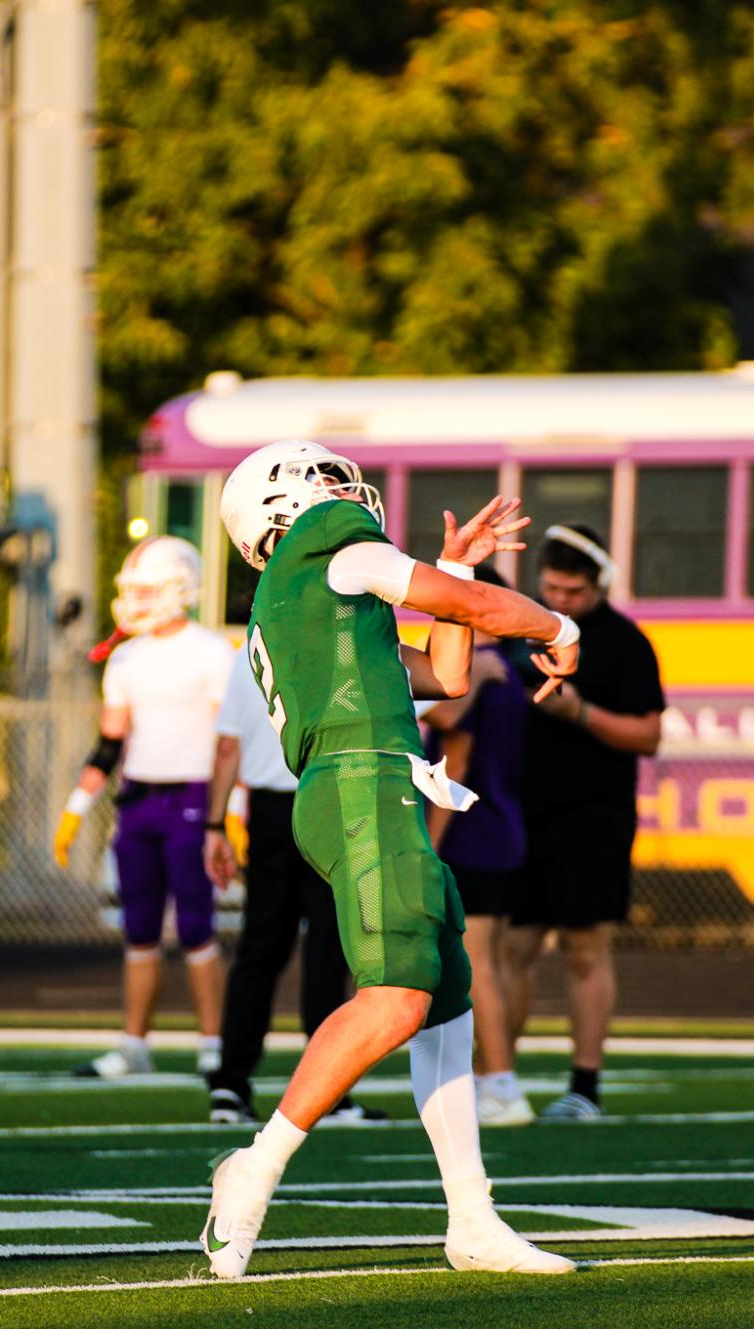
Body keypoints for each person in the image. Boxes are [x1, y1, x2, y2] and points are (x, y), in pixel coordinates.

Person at [201, 439, 581, 1280]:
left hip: (370, 782)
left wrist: (448, 567)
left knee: (443, 998)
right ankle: (253, 1168)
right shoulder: (324, 548)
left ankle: (472, 1218)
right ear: (284, 507)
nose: (345, 488)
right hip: (361, 782)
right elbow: (479, 608)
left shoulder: (308, 593)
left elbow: (446, 675)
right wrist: (558, 625)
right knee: (398, 996)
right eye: (324, 478)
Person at [500, 524, 664, 1120]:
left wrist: (582, 713)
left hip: (593, 814)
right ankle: (498, 1080)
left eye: (573, 591)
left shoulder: (624, 642)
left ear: (598, 585)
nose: (561, 601)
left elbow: (648, 734)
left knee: (584, 948)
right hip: (523, 810)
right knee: (510, 947)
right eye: (551, 588)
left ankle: (584, 1086)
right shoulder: (523, 627)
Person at [54, 537, 231, 1078]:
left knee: (198, 927)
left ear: (180, 588)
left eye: (147, 590)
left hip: (194, 798)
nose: (134, 601)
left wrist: (233, 811)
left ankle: (214, 1044)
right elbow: (110, 742)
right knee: (140, 930)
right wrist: (77, 806)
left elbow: (231, 740)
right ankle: (134, 1044)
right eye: (131, 591)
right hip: (139, 802)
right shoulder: (126, 656)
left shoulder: (212, 652)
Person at [201, 650, 381, 1125]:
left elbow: (226, 746)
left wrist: (215, 824)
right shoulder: (342, 641)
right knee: (327, 950)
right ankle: (330, 1091)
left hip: (270, 811)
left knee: (260, 949)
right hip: (331, 800)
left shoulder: (249, 653)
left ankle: (230, 1082)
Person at [421, 566, 531, 1127]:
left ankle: (500, 1082)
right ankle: (501, 1074)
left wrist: (430, 845)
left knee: (476, 964)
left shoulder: (483, 669)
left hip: (472, 830)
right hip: (504, 825)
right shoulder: (508, 670)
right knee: (497, 963)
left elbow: (450, 735)